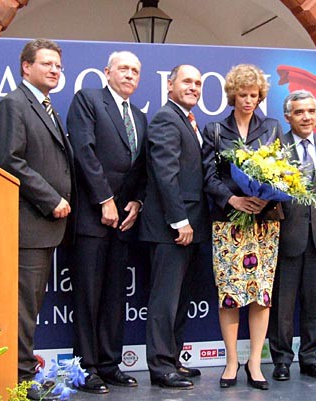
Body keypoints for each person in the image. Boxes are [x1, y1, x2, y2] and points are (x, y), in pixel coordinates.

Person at [0, 38, 75, 400]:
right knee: (24, 308)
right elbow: (10, 160)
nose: (55, 70)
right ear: (26, 67)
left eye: (58, 65)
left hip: (49, 228)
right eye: (47, 64)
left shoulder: (48, 106)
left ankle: (25, 375)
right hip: (30, 224)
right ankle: (21, 383)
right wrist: (50, 198)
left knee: (32, 306)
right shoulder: (14, 103)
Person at [66, 51, 147, 394]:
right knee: (89, 295)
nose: (129, 75)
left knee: (115, 296)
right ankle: (86, 367)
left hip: (123, 221)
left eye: (135, 71)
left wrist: (136, 202)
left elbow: (141, 167)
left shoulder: (140, 117)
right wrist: (105, 200)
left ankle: (110, 364)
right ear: (107, 72)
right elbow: (84, 151)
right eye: (123, 69)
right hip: (93, 217)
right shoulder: (88, 99)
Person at [202, 63, 283, 390]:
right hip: (229, 224)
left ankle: (254, 362)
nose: (248, 100)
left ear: (261, 95)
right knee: (231, 296)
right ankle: (232, 361)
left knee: (261, 296)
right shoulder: (215, 130)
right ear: (232, 95)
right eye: (242, 94)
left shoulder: (273, 126)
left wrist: (266, 199)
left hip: (264, 224)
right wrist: (233, 201)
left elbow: (281, 173)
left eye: (254, 95)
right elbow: (207, 176)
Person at [139, 64, 211, 390]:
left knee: (181, 300)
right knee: (164, 301)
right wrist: (179, 220)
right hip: (172, 229)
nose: (194, 87)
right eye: (187, 81)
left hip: (193, 228)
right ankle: (160, 366)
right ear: (170, 86)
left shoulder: (190, 121)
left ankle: (174, 359)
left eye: (198, 83)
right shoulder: (167, 118)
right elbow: (165, 172)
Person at [268, 90, 316, 381]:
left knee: (315, 304)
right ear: (288, 116)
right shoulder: (275, 147)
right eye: (299, 112)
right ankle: (282, 360)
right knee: (283, 306)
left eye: (311, 111)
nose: (307, 117)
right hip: (287, 235)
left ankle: (311, 358)